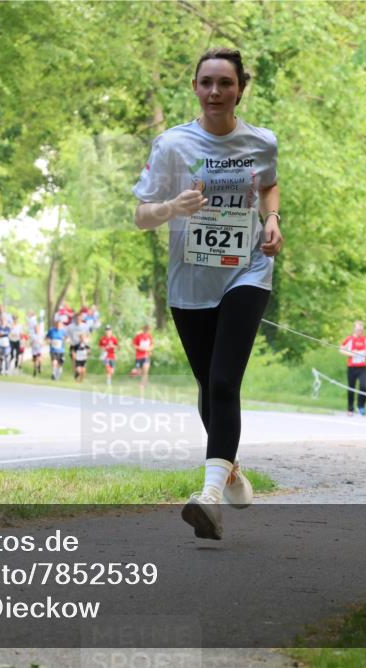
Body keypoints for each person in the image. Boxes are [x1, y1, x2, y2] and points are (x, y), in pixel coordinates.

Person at [133, 48, 282, 540]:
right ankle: (231, 469)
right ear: (194, 88)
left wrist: (272, 220)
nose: (215, 92)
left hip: (247, 271)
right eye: (206, 83)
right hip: (191, 280)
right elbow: (140, 216)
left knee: (223, 382)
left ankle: (209, 498)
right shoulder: (172, 145)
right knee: (207, 386)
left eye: (225, 83)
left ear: (242, 88)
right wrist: (172, 207)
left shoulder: (261, 142)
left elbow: (269, 186)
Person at [340, 320, 366, 416]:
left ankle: (361, 406)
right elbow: (341, 349)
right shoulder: (349, 339)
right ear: (354, 329)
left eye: (361, 330)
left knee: (363, 386)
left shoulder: (365, 339)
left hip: (362, 367)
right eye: (357, 330)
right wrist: (351, 354)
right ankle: (350, 409)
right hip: (352, 367)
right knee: (351, 388)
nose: (359, 332)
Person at [132, 324, 153, 389]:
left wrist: (149, 349)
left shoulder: (149, 336)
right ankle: (134, 372)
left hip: (146, 356)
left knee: (146, 370)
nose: (146, 330)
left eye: (148, 329)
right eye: (145, 329)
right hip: (138, 357)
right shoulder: (138, 336)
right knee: (139, 371)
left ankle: (143, 385)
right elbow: (133, 344)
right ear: (143, 329)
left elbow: (152, 345)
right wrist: (140, 348)